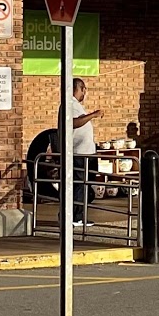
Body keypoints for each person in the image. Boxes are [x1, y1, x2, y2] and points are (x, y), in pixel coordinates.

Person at [64, 76, 104, 229]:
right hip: (79, 154)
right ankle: (75, 216)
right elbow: (73, 122)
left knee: (86, 185)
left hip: (86, 152)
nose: (84, 94)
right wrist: (93, 115)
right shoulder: (70, 104)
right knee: (79, 185)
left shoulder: (76, 105)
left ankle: (78, 214)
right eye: (83, 90)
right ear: (80, 88)